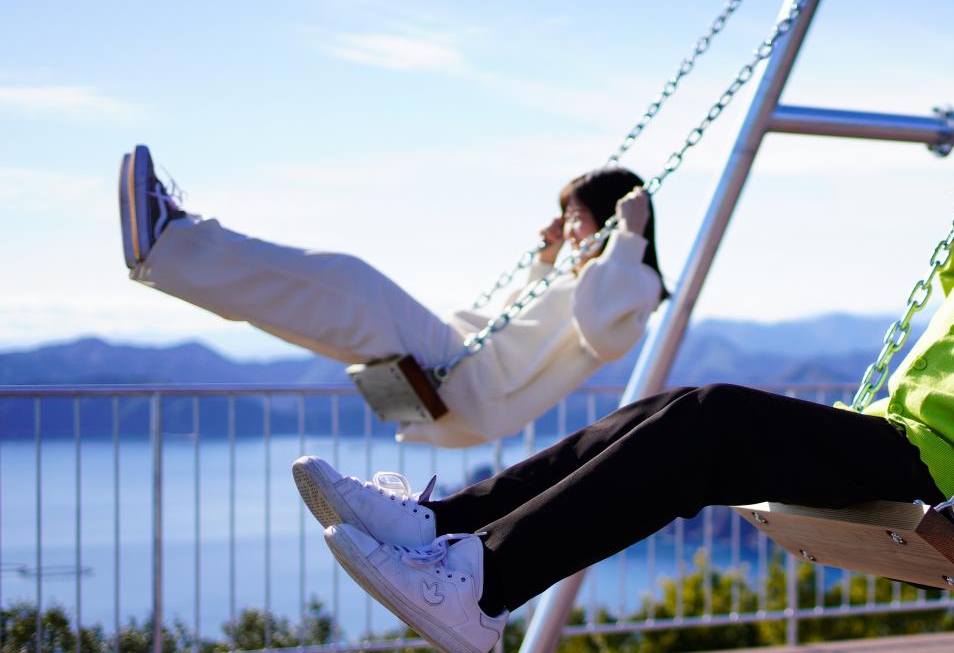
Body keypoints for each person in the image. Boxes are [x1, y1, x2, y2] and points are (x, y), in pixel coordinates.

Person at [296, 37, 954, 653]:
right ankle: (446, 527)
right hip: (897, 436)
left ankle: (485, 584)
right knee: (671, 413)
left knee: (708, 417)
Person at [119, 151, 669, 447]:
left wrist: (628, 238)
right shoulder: (586, 277)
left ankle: (171, 242)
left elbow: (601, 331)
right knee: (316, 314)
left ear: (612, 218)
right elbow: (516, 317)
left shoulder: (632, 283)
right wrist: (546, 260)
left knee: (349, 282)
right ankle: (167, 253)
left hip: (475, 376)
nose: (568, 226)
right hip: (469, 363)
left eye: (576, 215)